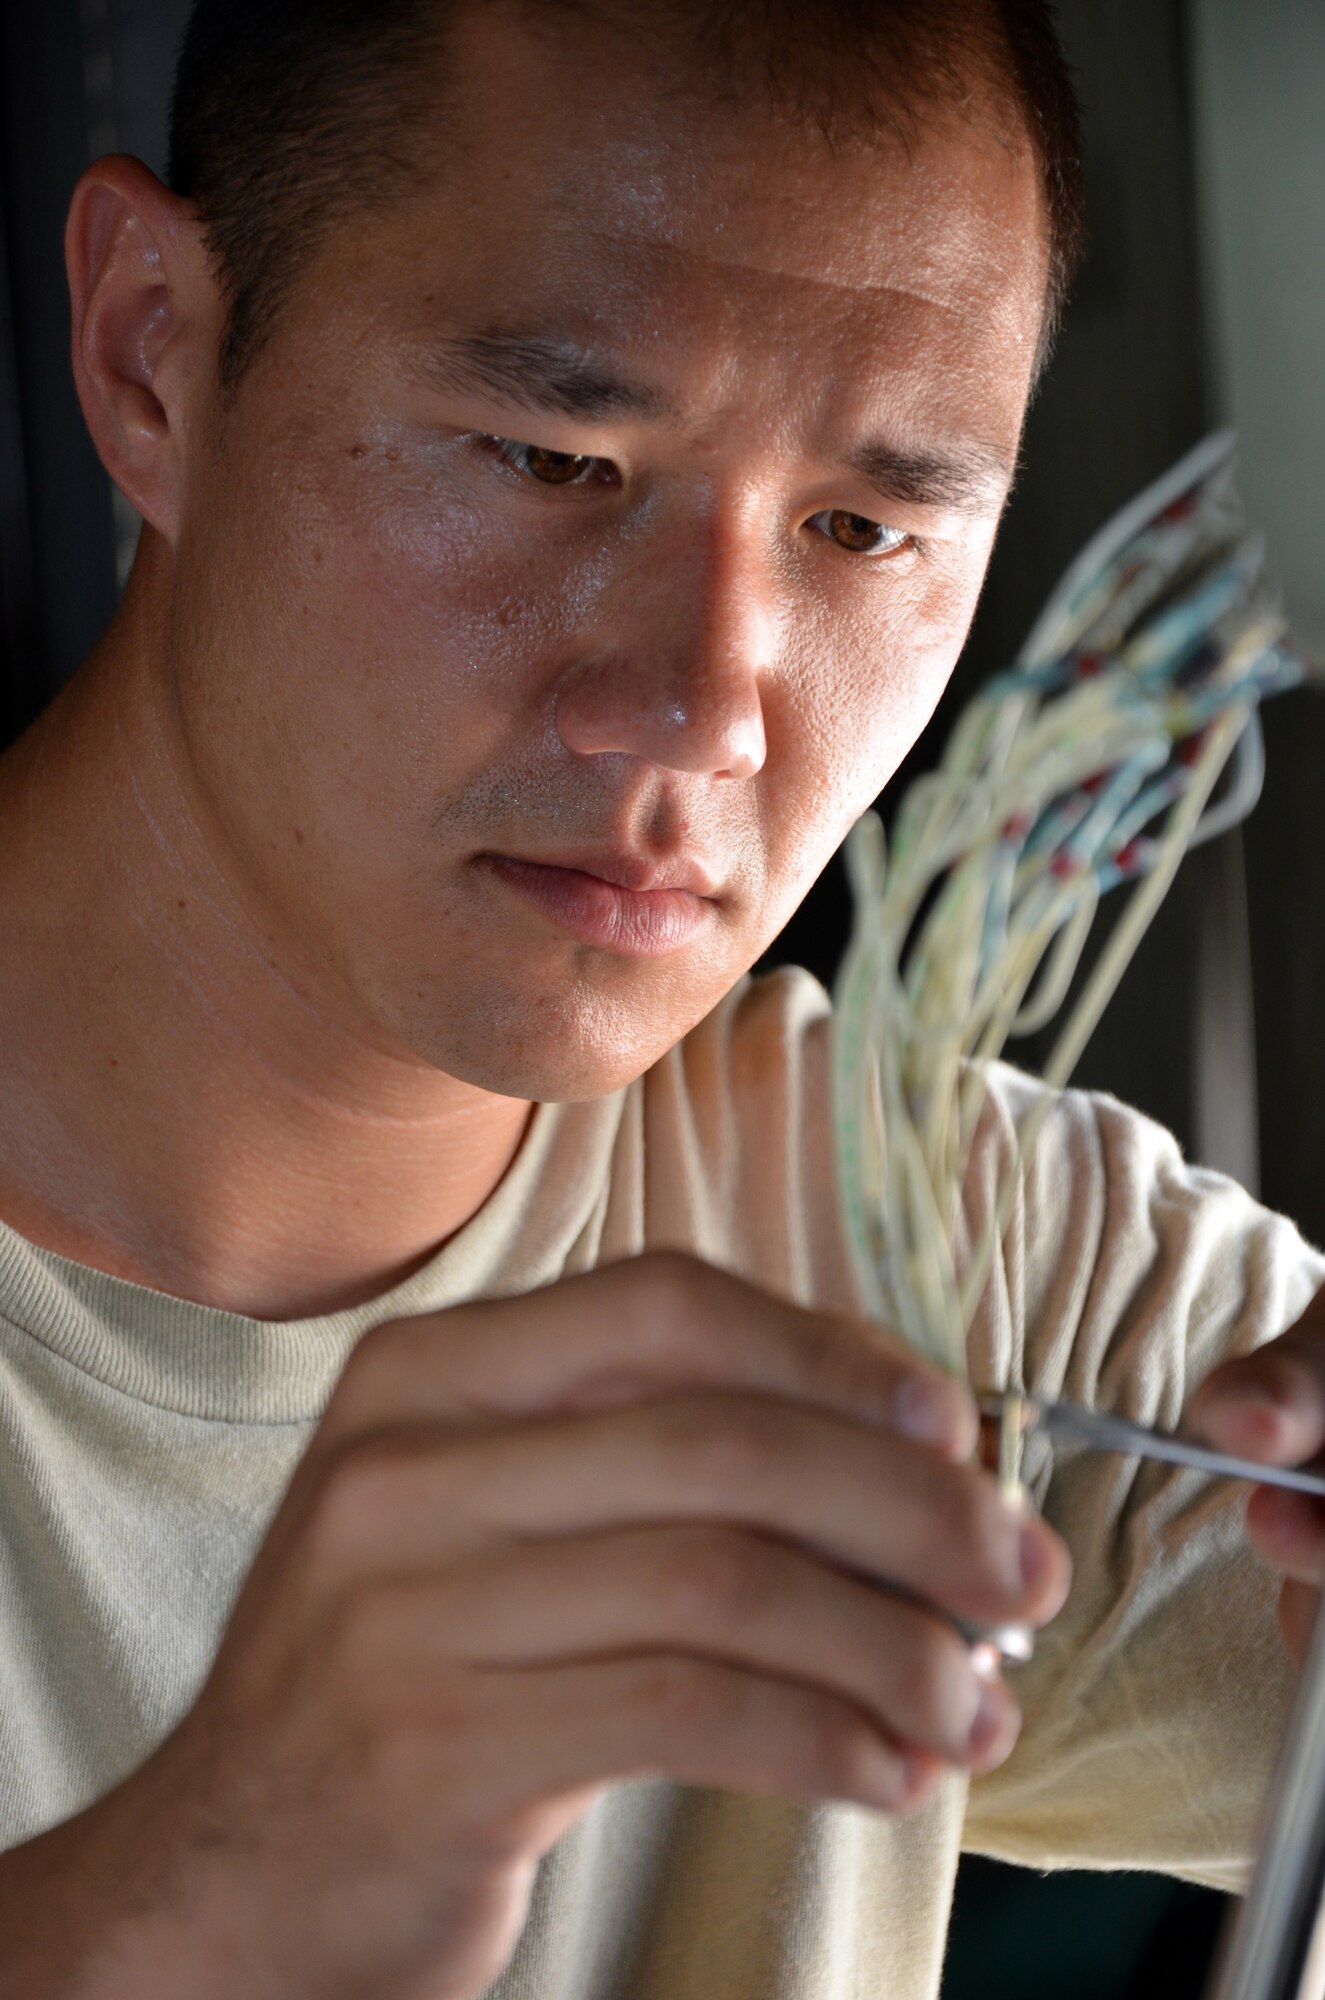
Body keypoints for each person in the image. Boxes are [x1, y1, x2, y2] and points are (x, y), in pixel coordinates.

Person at [1, 1, 1322, 1994]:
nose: (707, 706)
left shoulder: (948, 1265)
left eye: (862, 531)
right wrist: (185, 1893)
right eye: (557, 456)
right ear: (151, 356)